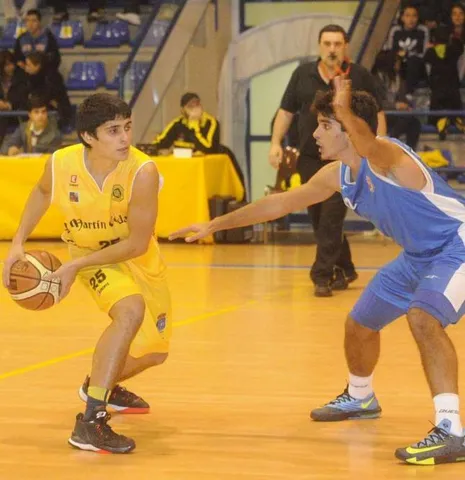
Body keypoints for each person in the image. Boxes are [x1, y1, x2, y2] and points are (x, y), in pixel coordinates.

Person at [170, 77, 465, 466]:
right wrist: (214, 224)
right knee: (359, 324)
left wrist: (342, 107)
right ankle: (361, 397)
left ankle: (451, 429)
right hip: (417, 257)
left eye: (325, 125)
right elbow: (279, 204)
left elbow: (368, 143)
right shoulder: (337, 175)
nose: (314, 134)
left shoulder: (390, 157)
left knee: (423, 318)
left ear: (349, 129)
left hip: (457, 246)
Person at [2, 93, 172, 454]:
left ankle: (100, 383)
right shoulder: (61, 163)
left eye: (127, 127)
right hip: (91, 255)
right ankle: (91, 422)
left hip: (137, 257)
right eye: (113, 130)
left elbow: (137, 244)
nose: (125, 138)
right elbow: (42, 192)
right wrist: (17, 243)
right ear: (88, 136)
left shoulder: (143, 171)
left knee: (156, 351)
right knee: (130, 310)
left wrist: (72, 267)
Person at [270, 24, 387, 297]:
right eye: (327, 43)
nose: (332, 49)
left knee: (331, 218)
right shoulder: (302, 74)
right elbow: (286, 112)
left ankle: (321, 275)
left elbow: (378, 114)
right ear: (319, 46)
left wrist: (378, 148)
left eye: (337, 44)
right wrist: (275, 143)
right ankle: (346, 267)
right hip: (310, 158)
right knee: (319, 219)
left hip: (346, 159)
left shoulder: (359, 76)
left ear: (345, 46)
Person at [153, 92, 246, 196]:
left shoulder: (211, 122)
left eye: (197, 105)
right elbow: (160, 143)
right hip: (184, 170)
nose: (195, 109)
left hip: (207, 171)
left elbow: (208, 148)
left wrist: (195, 127)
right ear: (182, 110)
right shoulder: (177, 123)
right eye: (190, 107)